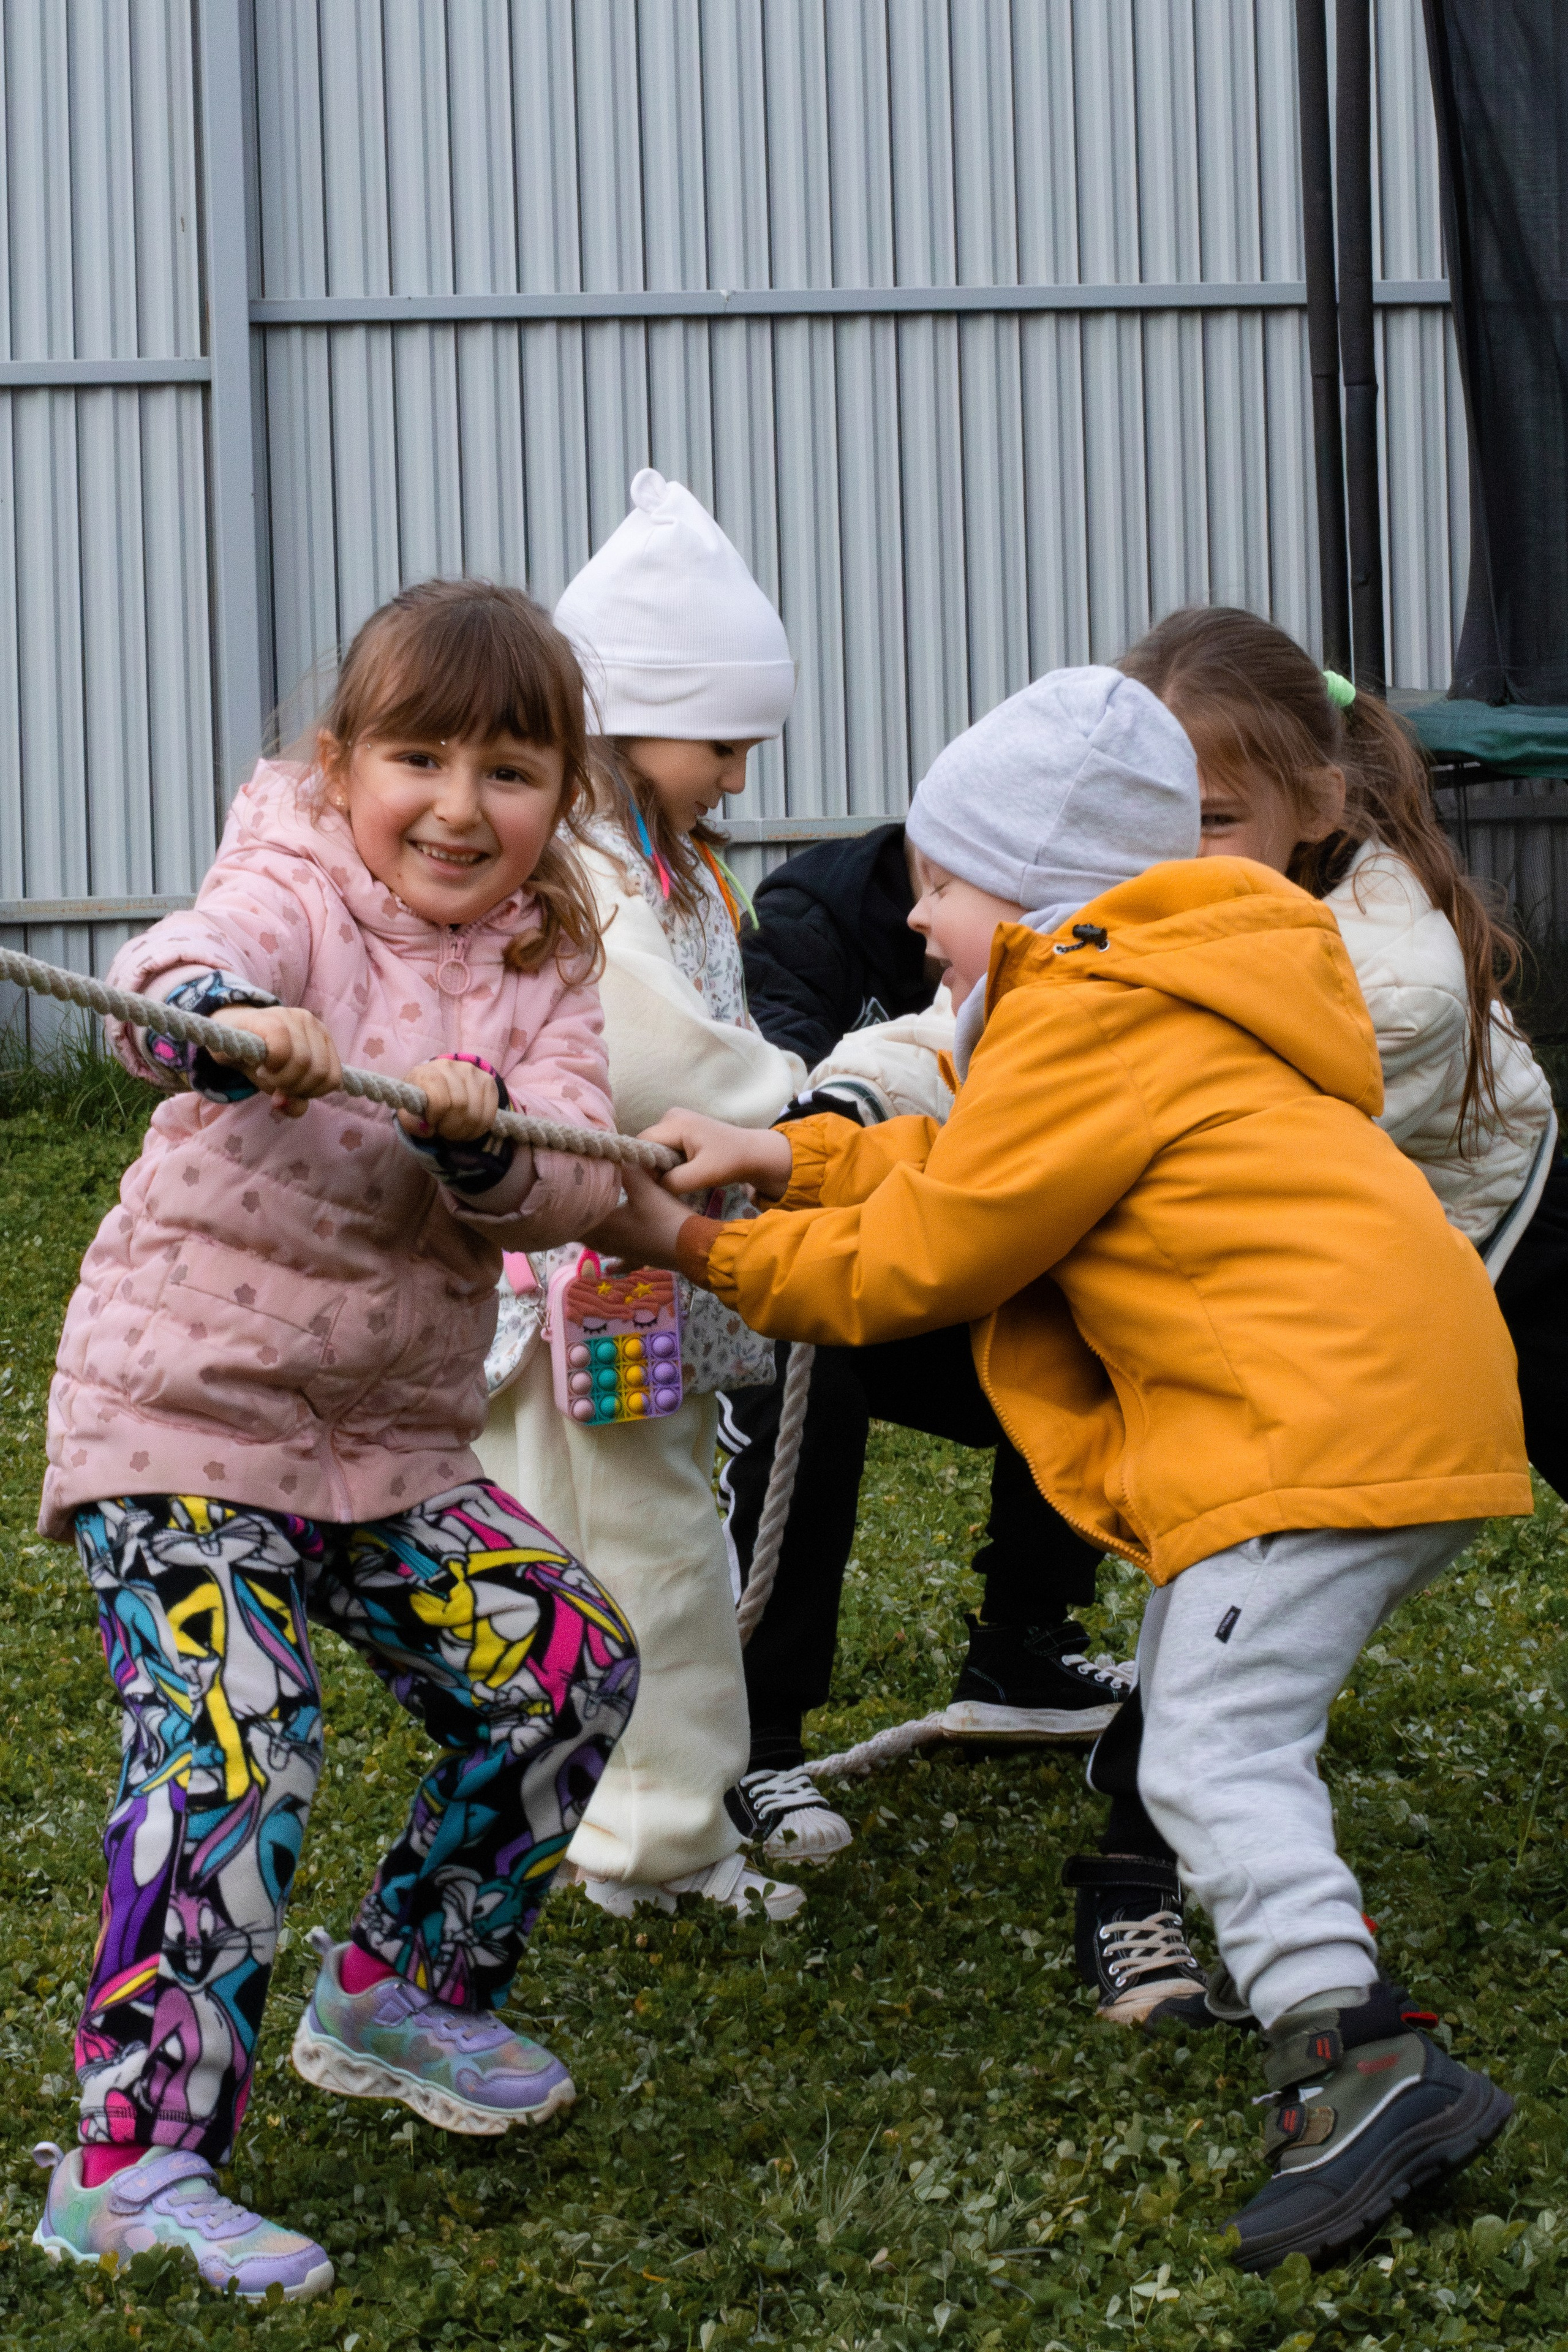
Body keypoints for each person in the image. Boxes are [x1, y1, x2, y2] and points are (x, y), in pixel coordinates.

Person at [603, 662, 1530, 2271]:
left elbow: (927, 1256)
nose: (914, 917)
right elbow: (973, 1155)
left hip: (1312, 1437)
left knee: (1213, 1754)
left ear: (1036, 895)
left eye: (943, 885)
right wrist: (784, 1154)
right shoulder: (1165, 991)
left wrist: (695, 1245)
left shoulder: (1087, 1012)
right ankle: (1330, 2007)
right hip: (1398, 1410)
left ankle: (1357, 2059)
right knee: (1203, 1702)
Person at [30, 581, 640, 2302]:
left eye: (508, 771)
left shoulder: (550, 958)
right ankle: (130, 2169)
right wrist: (232, 1017)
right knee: (236, 1736)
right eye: (418, 760)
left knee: (568, 1668)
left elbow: (576, 1166)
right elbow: (170, 975)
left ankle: (403, 1993)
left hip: (386, 1443)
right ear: (341, 764)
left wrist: (483, 1141)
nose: (457, 806)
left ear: (561, 795)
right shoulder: (295, 878)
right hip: (186, 1416)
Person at [1060, 605, 1561, 2027]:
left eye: (1212, 819)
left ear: (1317, 805)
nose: (1170, 851)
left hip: (1484, 1235)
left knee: (1251, 1545)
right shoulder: (1134, 900)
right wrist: (840, 1098)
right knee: (1226, 1544)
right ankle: (1131, 1882)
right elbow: (1005, 1026)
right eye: (1148, 809)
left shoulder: (1386, 981)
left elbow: (1108, 1110)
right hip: (1329, 1264)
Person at [478, 469, 809, 1922]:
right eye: (720, 742)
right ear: (626, 721)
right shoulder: (598, 874)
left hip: (574, 1275)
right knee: (655, 1553)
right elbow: (653, 1061)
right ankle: (660, 1840)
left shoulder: (643, 864)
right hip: (600, 1274)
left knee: (570, 1550)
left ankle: (591, 1817)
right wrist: (805, 1103)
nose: (735, 774)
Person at [720, 827, 1130, 1869]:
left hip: (938, 1240)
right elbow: (881, 1060)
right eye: (932, 884)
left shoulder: (1085, 948)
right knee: (805, 1366)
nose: (922, 918)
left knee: (1090, 1315)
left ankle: (1022, 1649)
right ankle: (757, 1736)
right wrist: (822, 1124)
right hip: (821, 1224)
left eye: (953, 892)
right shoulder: (809, 917)